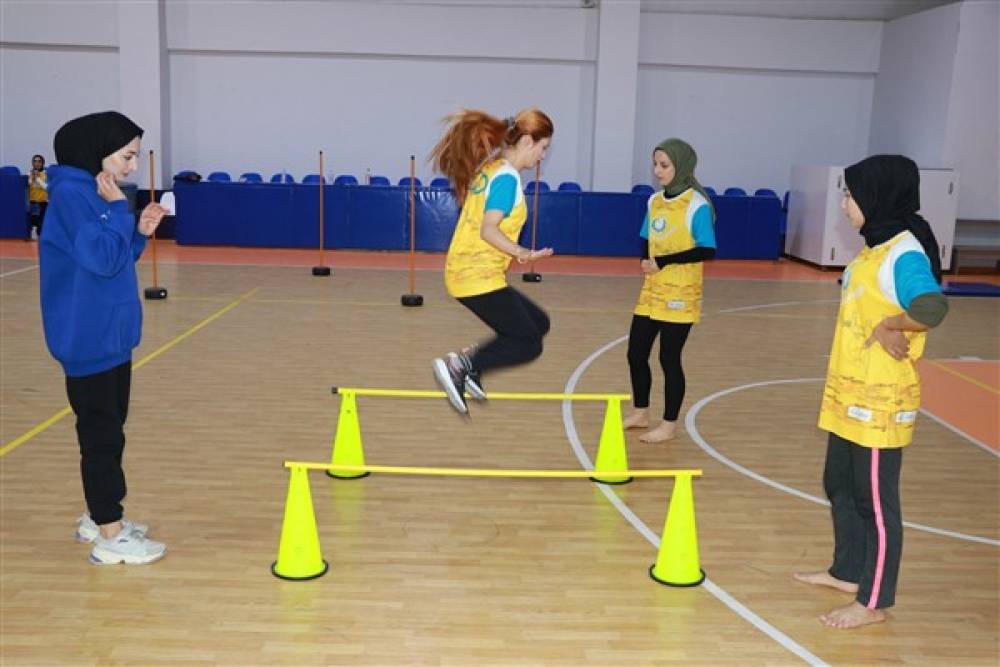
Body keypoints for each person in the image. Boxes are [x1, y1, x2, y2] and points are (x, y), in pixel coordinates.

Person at [794, 155, 949, 629]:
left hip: (881, 402)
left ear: (877, 196)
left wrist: (891, 323)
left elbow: (931, 307)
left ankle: (874, 600)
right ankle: (846, 571)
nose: (844, 203)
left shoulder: (904, 253)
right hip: (848, 394)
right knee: (838, 483)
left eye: (850, 194)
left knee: (875, 501)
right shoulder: (871, 250)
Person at [40, 111, 169, 565]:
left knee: (109, 431)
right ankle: (110, 535)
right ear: (97, 151)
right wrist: (119, 211)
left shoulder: (93, 193)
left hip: (109, 335)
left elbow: (112, 262)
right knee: (101, 437)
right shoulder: (75, 196)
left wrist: (138, 233)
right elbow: (98, 258)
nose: (132, 166)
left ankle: (100, 517)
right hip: (88, 338)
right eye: (126, 156)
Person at [429, 108, 554, 415]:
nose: (542, 156)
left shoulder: (492, 168)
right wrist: (521, 252)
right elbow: (489, 229)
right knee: (529, 343)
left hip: (472, 272)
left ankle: (473, 366)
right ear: (527, 141)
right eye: (543, 147)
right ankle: (462, 365)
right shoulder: (506, 178)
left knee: (538, 323)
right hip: (474, 276)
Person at [623, 138, 716, 443]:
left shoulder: (697, 205)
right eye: (655, 164)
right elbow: (645, 237)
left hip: (681, 294)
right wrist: (645, 258)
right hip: (652, 292)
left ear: (682, 166)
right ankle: (640, 412)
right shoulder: (654, 201)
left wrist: (663, 261)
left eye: (664, 165)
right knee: (636, 353)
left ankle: (668, 424)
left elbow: (707, 250)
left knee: (668, 358)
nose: (657, 171)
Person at [27, 154, 48, 239]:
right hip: (33, 201)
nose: (37, 163)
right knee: (33, 218)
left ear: (42, 163)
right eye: (35, 161)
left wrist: (38, 179)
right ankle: (33, 232)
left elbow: (46, 187)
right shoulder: (29, 173)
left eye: (39, 161)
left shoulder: (46, 173)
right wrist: (32, 177)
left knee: (42, 221)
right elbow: (29, 184)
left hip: (43, 201)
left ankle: (40, 234)